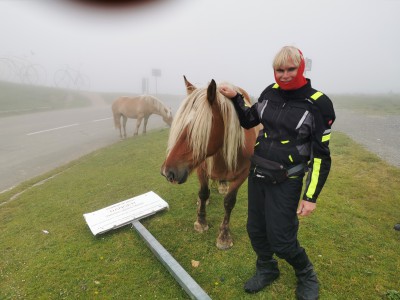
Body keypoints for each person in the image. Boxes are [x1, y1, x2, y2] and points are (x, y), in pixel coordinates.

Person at [219, 46, 335, 300]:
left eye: (290, 69)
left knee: (282, 239)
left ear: (301, 68)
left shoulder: (319, 104)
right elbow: (249, 120)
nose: (284, 75)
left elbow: (321, 156)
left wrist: (310, 196)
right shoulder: (269, 93)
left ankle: (306, 273)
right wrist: (236, 97)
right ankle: (267, 268)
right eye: (279, 70)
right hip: (258, 173)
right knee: (256, 230)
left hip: (288, 179)